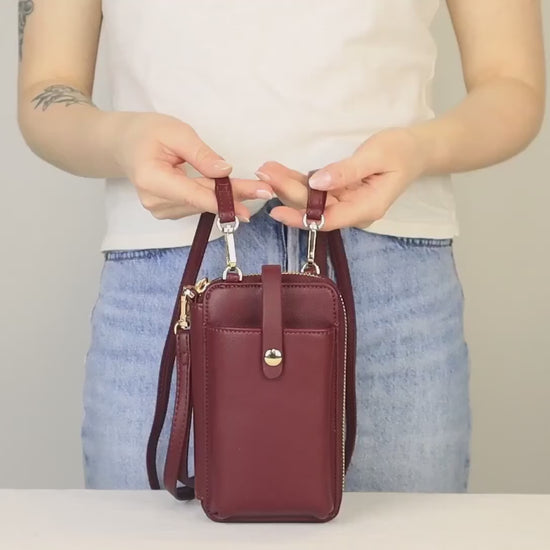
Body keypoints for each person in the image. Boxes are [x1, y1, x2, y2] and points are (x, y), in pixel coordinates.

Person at [17, 1, 545, 493]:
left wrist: (419, 149)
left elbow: (512, 83)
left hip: (389, 274)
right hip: (168, 273)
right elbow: (47, 88)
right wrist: (121, 142)